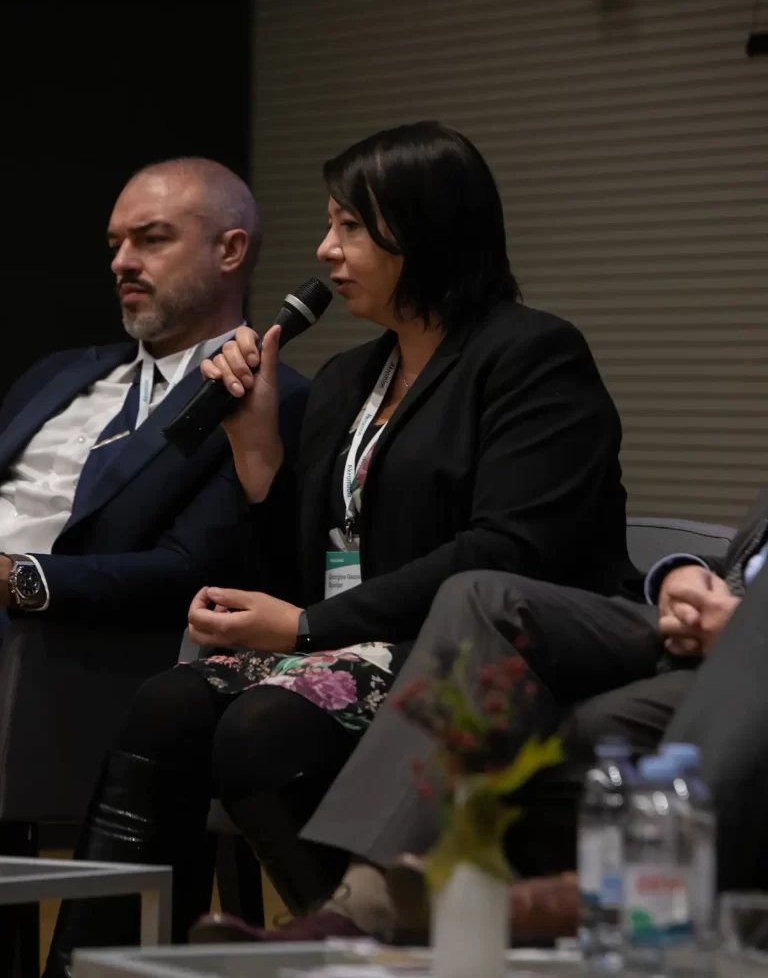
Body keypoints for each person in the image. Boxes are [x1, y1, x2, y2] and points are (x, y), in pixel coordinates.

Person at [45, 120, 635, 975]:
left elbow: (507, 551)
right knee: (167, 704)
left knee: (261, 726)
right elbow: (304, 569)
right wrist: (257, 458)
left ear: (425, 230)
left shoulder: (531, 356)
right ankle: (90, 968)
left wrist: (307, 628)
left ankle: (358, 950)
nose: (326, 251)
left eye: (351, 227)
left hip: (488, 650)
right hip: (361, 639)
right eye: (331, 225)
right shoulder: (350, 378)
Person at [211, 488, 765, 944]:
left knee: (584, 730)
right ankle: (367, 898)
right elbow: (744, 569)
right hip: (712, 626)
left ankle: (380, 918)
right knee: (480, 598)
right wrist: (683, 575)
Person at [0, 156, 307, 629]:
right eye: (115, 244)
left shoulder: (267, 400)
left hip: (58, 634)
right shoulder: (54, 374)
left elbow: (192, 571)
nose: (121, 262)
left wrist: (18, 578)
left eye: (152, 239)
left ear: (229, 251)